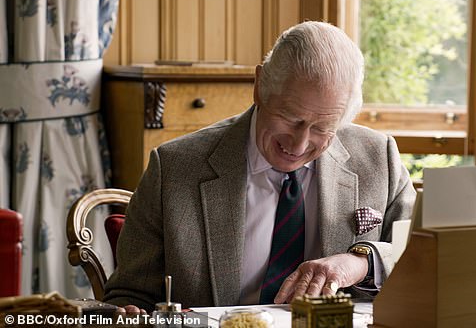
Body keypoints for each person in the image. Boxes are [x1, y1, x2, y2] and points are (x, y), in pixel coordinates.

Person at [103, 21, 416, 313]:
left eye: (322, 128)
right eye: (291, 118)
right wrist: (129, 314)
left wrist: (359, 262)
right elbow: (129, 295)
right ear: (260, 84)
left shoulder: (378, 158)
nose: (298, 145)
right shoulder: (175, 168)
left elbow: (422, 257)